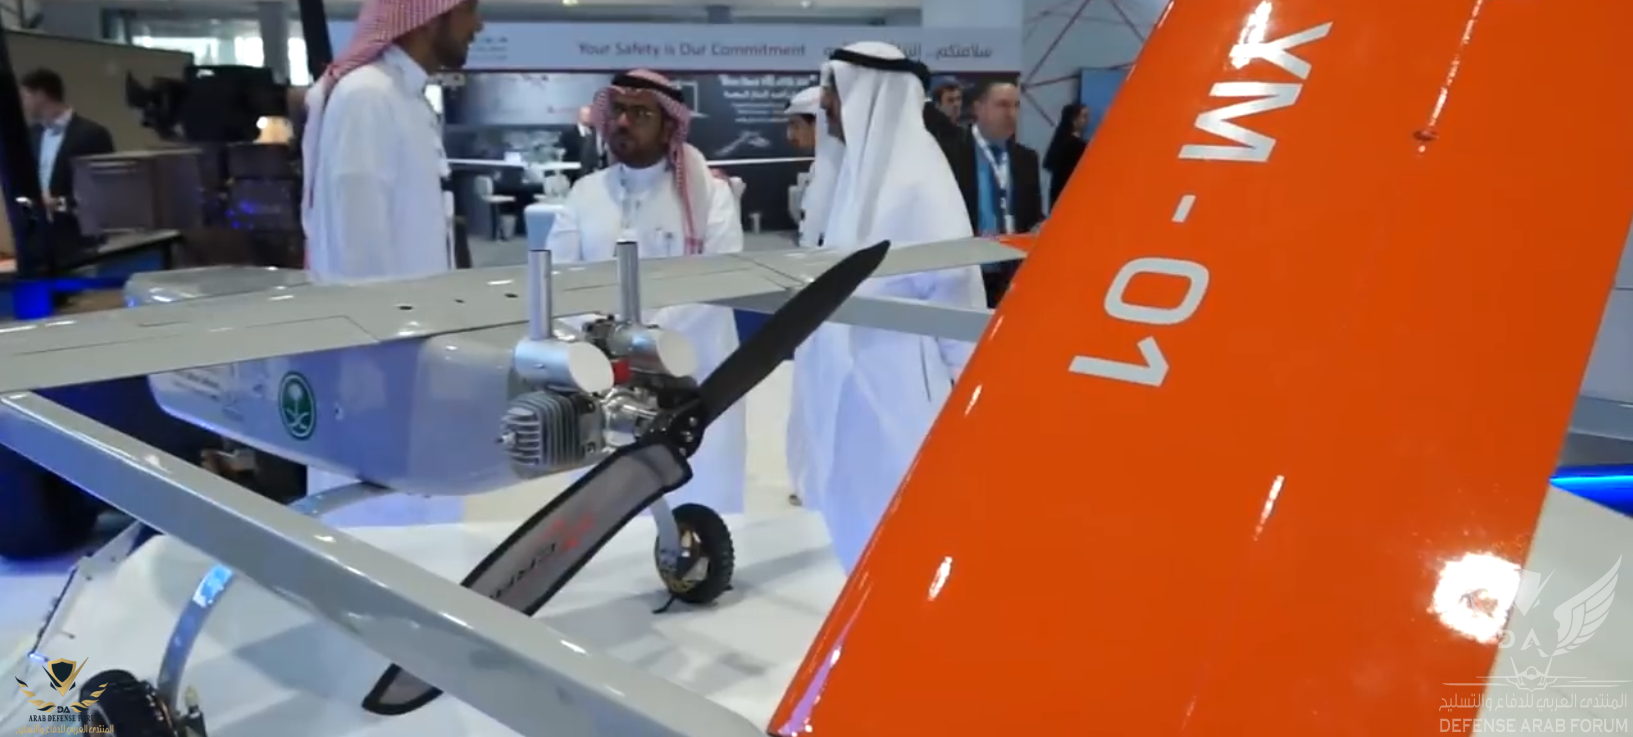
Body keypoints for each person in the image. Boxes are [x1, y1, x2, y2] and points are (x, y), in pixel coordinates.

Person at [791, 41, 985, 574]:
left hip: (903, 393)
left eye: (835, 96)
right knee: (857, 529)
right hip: (852, 393)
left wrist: (968, 405)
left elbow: (956, 297)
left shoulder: (920, 180)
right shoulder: (855, 175)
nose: (826, 108)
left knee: (904, 535)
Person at [299, 0, 483, 521]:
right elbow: (357, 253)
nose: (478, 25)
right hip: (375, 369)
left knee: (424, 518)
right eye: (469, 10)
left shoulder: (405, 98)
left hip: (414, 356)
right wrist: (378, 374)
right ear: (430, 14)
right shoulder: (367, 98)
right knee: (377, 525)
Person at [544, 70, 748, 514]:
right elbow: (559, 277)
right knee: (606, 503)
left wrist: (644, 340)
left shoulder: (710, 195)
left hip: (691, 372)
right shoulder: (585, 193)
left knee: (698, 493)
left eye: (640, 113)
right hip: (604, 375)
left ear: (668, 125)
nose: (623, 122)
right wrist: (603, 334)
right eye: (618, 110)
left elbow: (718, 280)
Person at [940, 80, 1043, 307]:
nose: (1011, 114)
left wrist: (1041, 226)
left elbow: (1033, 215)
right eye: (1002, 105)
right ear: (979, 108)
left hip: (1012, 274)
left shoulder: (1026, 159)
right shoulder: (950, 153)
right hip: (965, 272)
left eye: (1016, 106)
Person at [21, 68, 114, 261]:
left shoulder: (92, 134)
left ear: (41, 95)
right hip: (36, 241)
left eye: (26, 97)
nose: (24, 103)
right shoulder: (31, 135)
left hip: (77, 239)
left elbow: (104, 189)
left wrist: (60, 203)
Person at [1044, 102, 1090, 210]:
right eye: (1084, 116)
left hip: (1057, 196)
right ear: (1074, 120)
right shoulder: (1076, 145)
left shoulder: (1060, 141)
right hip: (1071, 198)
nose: (1087, 120)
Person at [558, 105, 604, 181]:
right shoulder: (568, 134)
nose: (588, 117)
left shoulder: (597, 133)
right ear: (579, 116)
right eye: (585, 115)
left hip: (593, 173)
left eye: (590, 115)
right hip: (574, 173)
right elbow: (565, 153)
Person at [923, 77, 962, 143]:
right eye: (950, 100)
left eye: (958, 99)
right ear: (938, 105)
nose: (956, 104)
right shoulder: (931, 134)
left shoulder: (965, 131)